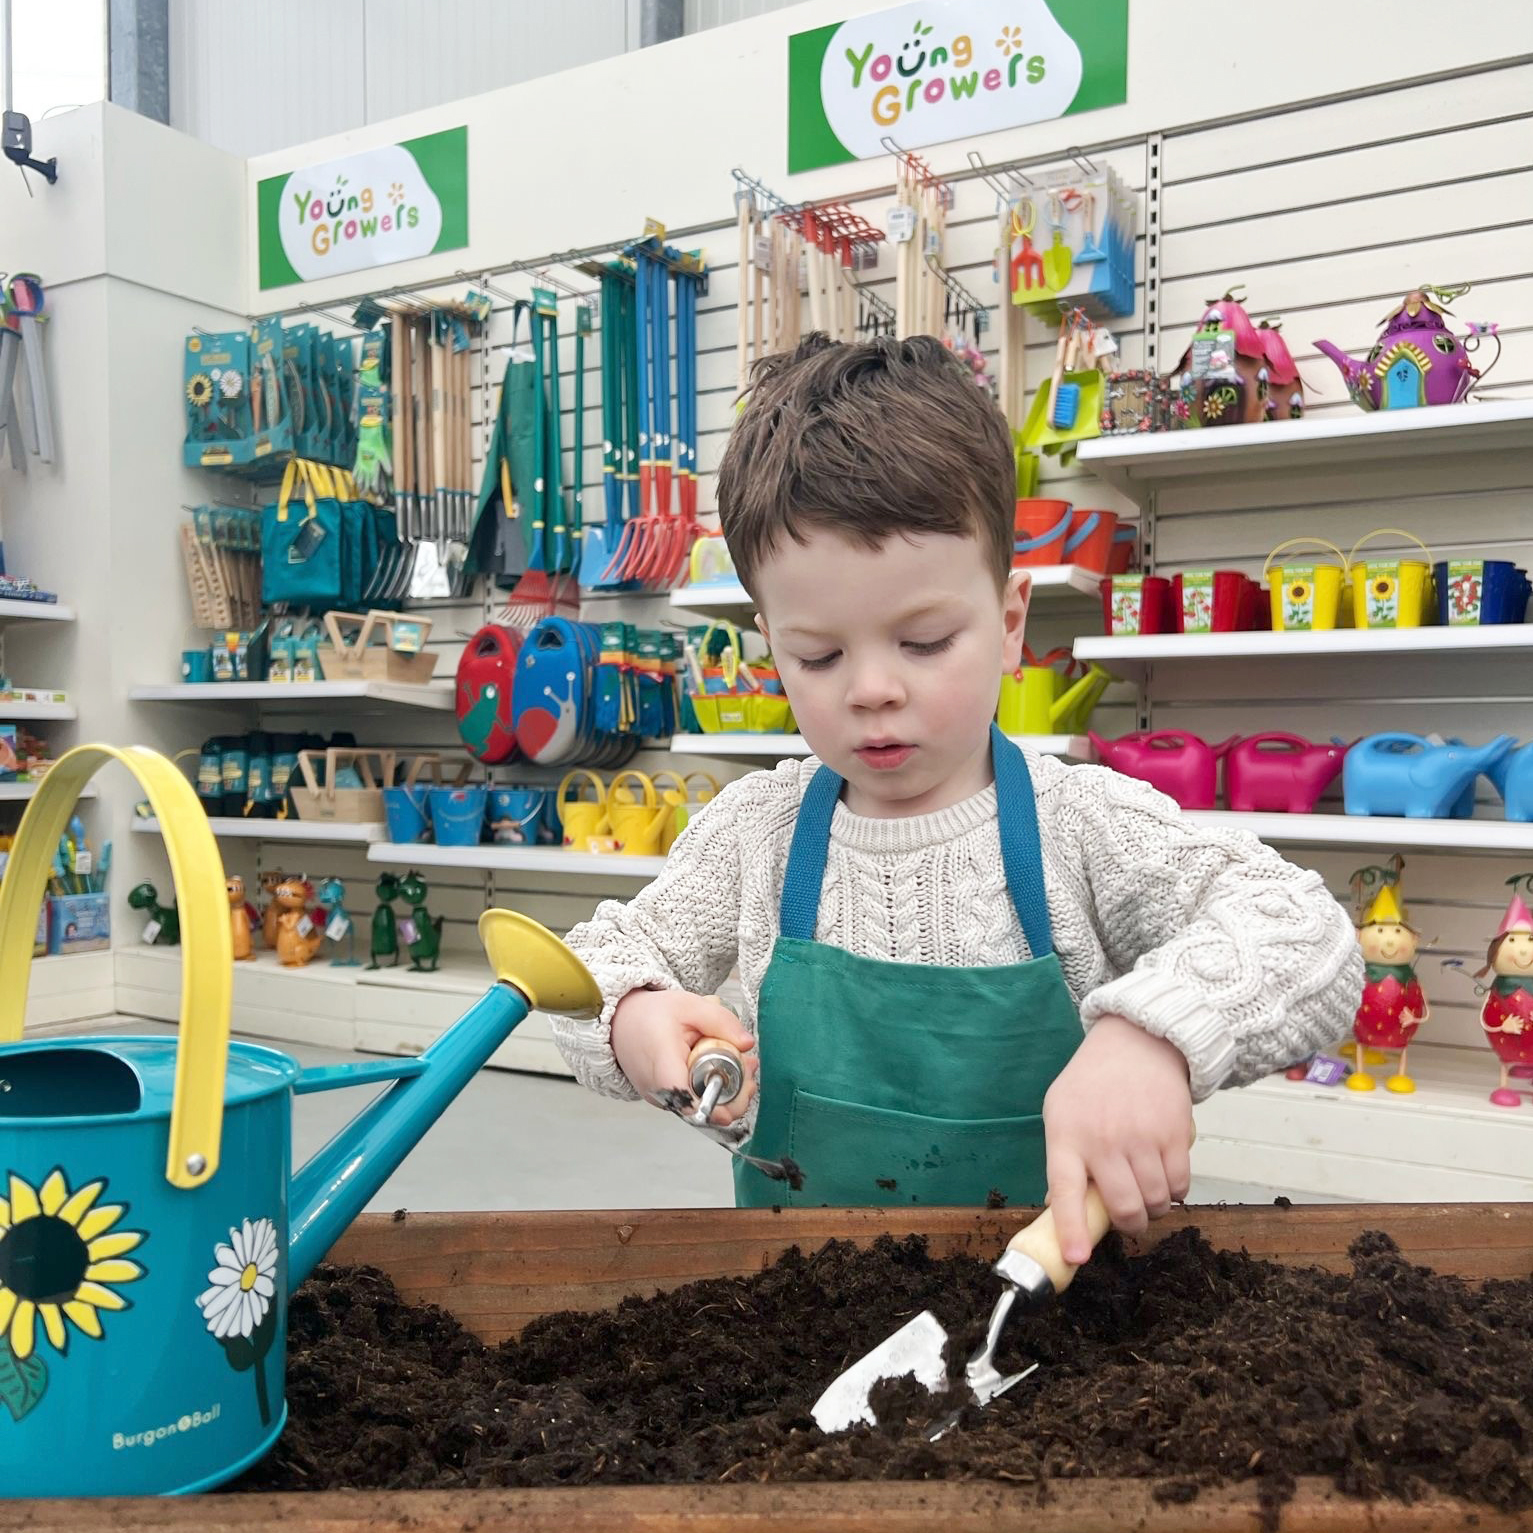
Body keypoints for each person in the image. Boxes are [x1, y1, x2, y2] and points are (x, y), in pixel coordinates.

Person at [550, 334, 1361, 1261]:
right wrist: (633, 1017)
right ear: (770, 642)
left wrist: (1158, 1037)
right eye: (818, 655)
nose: (872, 689)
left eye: (926, 640)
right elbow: (595, 966)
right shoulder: (754, 832)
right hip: (800, 1305)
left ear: (1009, 621)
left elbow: (1306, 933)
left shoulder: (1079, 824)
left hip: (1058, 1315)